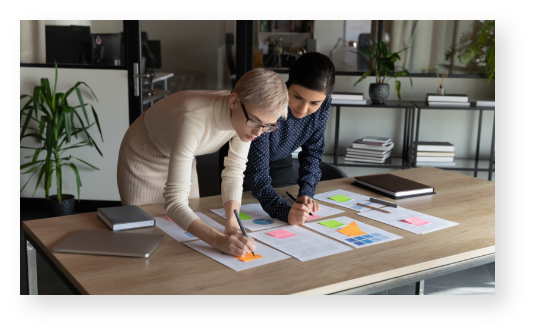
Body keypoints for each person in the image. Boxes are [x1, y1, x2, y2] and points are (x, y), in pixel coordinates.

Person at [117, 69, 288, 256]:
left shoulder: (247, 119)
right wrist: (218, 240)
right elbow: (174, 202)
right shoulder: (192, 120)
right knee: (149, 237)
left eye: (267, 126)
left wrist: (231, 222)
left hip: (184, 154)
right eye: (255, 122)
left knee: (184, 239)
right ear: (233, 102)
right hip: (144, 156)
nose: (258, 133)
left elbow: (234, 171)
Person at [244, 52, 335, 226]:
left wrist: (306, 193)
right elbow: (257, 173)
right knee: (249, 219)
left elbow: (313, 151)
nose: (303, 108)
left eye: (314, 103)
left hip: (280, 159)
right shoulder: (267, 100)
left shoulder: (324, 104)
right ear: (288, 84)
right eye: (298, 97)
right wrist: (284, 212)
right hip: (245, 165)